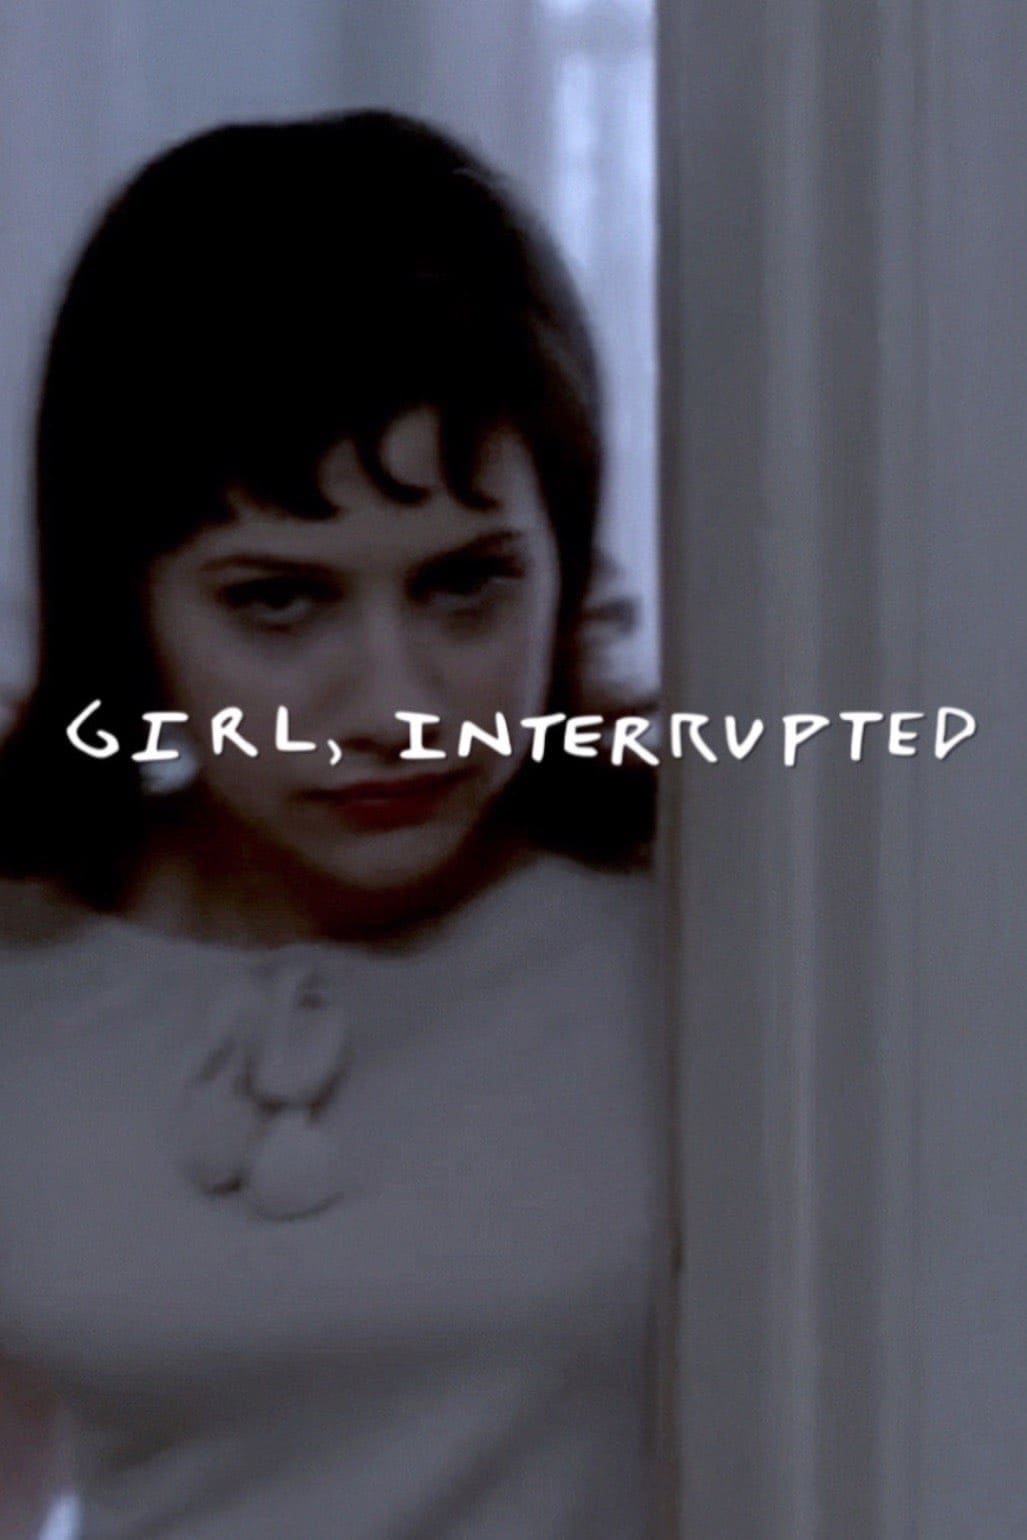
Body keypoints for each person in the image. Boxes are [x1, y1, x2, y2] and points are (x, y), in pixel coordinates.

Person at [0, 112, 664, 1539]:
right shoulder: (26, 963)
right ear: (128, 602)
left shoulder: (697, 932)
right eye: (279, 601)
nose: (394, 705)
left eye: (466, 584)